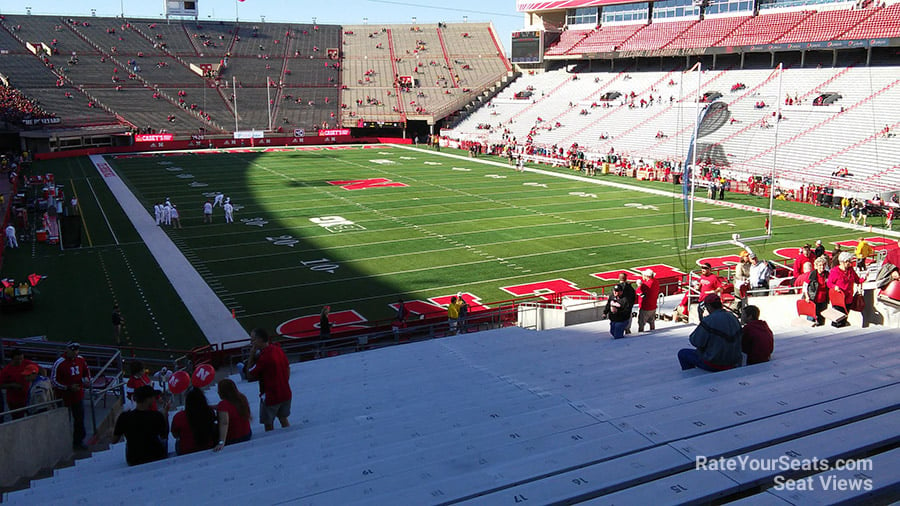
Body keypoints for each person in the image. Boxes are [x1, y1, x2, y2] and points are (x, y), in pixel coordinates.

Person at [677, 294, 742, 372]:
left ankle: (691, 376)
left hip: (715, 363)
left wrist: (701, 316)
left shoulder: (709, 320)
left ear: (708, 306)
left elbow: (695, 341)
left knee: (683, 353)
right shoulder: (733, 317)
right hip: (733, 361)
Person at [246, 328, 291, 431]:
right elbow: (288, 368)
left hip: (271, 397)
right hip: (285, 392)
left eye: (253, 340)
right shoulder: (277, 349)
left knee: (268, 424)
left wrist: (251, 355)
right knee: (283, 419)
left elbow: (249, 374)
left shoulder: (264, 357)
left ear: (260, 339)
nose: (251, 342)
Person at [111, 385, 170, 466]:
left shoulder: (124, 417)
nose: (154, 400)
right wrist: (165, 414)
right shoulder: (157, 416)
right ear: (148, 399)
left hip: (134, 459)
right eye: (153, 397)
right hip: (156, 455)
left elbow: (114, 440)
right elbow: (164, 436)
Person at [51, 341, 92, 450]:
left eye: (77, 350)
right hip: (63, 397)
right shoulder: (59, 363)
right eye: (73, 350)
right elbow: (54, 381)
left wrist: (86, 381)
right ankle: (62, 443)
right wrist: (68, 387)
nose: (75, 353)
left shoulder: (81, 359)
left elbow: (86, 373)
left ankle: (78, 442)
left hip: (78, 396)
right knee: (63, 421)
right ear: (67, 350)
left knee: (79, 419)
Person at [171, 387, 217, 455]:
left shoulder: (179, 416)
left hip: (186, 450)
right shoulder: (209, 412)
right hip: (208, 446)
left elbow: (175, 435)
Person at [214, 378, 252, 451]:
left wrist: (221, 442)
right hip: (247, 433)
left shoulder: (223, 405)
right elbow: (230, 407)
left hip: (234, 438)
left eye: (219, 390)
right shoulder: (242, 398)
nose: (218, 392)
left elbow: (224, 423)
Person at [0, 349, 39, 419]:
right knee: (18, 420)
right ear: (12, 359)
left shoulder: (26, 363)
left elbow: (40, 369)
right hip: (15, 401)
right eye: (17, 359)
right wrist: (11, 385)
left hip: (28, 398)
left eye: (21, 358)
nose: (20, 361)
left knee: (33, 418)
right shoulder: (6, 370)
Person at [827, 251, 860, 327]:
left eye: (850, 261)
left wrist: (863, 279)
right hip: (839, 299)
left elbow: (857, 280)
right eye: (847, 261)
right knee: (838, 319)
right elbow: (829, 283)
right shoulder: (835, 271)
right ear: (841, 262)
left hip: (848, 298)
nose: (849, 263)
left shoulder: (850, 270)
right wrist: (835, 287)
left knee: (844, 318)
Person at [802, 256, 830, 326]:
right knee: (811, 320)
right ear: (816, 266)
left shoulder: (827, 274)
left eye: (823, 265)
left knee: (821, 319)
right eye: (820, 265)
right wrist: (807, 296)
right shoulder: (811, 274)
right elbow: (805, 286)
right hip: (813, 300)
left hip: (823, 301)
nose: (822, 267)